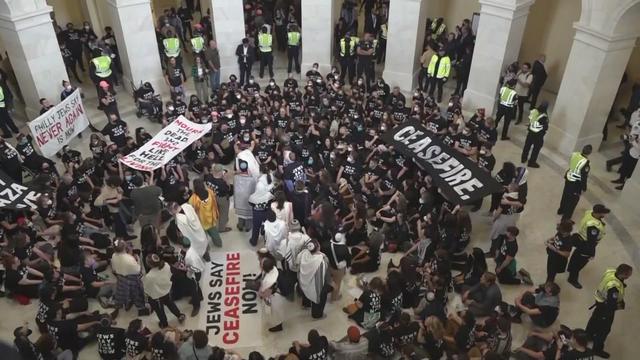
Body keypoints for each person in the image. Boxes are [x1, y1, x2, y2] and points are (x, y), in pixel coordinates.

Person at [586, 263, 632, 358]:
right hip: (605, 308)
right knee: (603, 330)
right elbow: (611, 304)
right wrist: (618, 306)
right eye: (628, 274)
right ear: (623, 274)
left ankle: (587, 336)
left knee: (594, 320)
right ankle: (597, 349)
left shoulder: (611, 271)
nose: (629, 276)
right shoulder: (614, 288)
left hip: (599, 301)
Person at [567, 204, 609, 289]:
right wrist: (592, 253)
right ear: (598, 213)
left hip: (579, 238)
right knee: (580, 263)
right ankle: (572, 279)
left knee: (576, 255)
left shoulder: (589, 213)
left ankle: (570, 268)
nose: (604, 215)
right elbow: (591, 241)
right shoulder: (594, 226)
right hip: (585, 245)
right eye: (603, 213)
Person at [143, 254, 185, 329]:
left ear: (149, 265)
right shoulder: (166, 264)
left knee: (160, 311)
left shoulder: (150, 276)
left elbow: (146, 288)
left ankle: (164, 323)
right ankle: (179, 315)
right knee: (171, 304)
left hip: (157, 296)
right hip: (167, 290)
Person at [557, 144, 592, 221]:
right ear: (589, 153)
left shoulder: (575, 154)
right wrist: (584, 187)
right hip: (576, 184)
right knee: (572, 201)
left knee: (565, 195)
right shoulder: (585, 163)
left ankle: (561, 210)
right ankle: (566, 218)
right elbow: (583, 177)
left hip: (569, 177)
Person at [297, 241, 331, 319]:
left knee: (307, 293)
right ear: (318, 247)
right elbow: (326, 275)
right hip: (316, 285)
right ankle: (317, 315)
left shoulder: (303, 254)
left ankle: (306, 305)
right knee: (318, 300)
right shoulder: (322, 261)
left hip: (304, 281)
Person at [188, 178, 222, 248]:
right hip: (211, 219)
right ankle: (219, 244)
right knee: (215, 234)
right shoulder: (210, 192)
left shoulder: (193, 199)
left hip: (201, 222)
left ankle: (207, 248)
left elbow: (191, 211)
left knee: (204, 237)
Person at [258, 256, 286, 332]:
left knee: (275, 313)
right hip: (275, 293)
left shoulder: (269, 281)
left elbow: (265, 293)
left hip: (273, 297)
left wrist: (261, 294)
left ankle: (278, 326)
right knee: (277, 312)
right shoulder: (274, 269)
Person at [611, 118, 640, 189]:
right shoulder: (638, 122)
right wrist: (628, 137)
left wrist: (632, 141)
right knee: (624, 165)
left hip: (636, 155)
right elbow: (634, 134)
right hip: (630, 150)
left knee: (629, 171)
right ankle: (620, 179)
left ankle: (624, 185)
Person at [520, 101, 549, 168]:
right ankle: (531, 162)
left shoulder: (534, 111)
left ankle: (523, 158)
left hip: (530, 132)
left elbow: (530, 119)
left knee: (527, 146)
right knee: (536, 149)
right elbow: (545, 127)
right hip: (538, 134)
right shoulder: (544, 116)